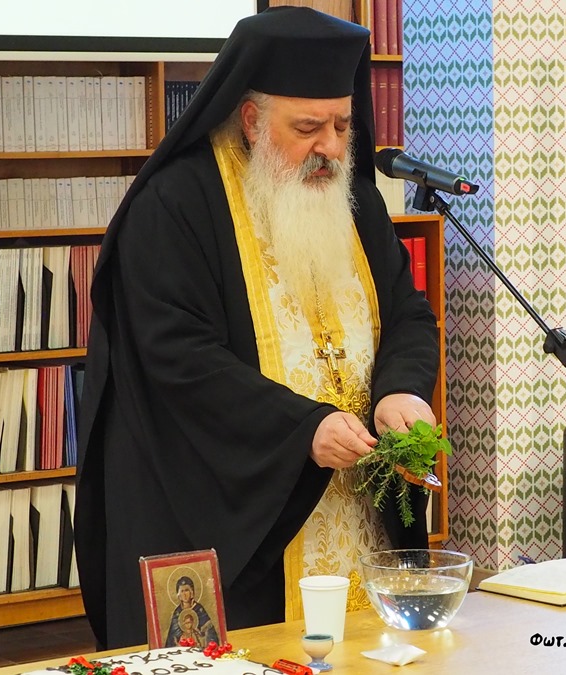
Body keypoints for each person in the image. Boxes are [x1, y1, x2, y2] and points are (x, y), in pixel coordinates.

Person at [75, 6, 440, 649]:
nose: (330, 147)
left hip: (359, 516)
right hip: (238, 522)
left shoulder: (353, 199)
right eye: (307, 128)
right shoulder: (176, 204)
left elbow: (408, 314)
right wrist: (303, 430)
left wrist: (401, 390)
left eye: (341, 125)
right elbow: (177, 357)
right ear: (250, 118)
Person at [164, 576, 219, 649]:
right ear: (179, 595)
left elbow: (210, 633)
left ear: (192, 592)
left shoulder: (199, 609)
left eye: (186, 590)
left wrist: (203, 641)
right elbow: (171, 640)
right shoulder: (177, 613)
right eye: (182, 591)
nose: (184, 594)